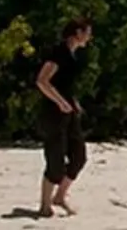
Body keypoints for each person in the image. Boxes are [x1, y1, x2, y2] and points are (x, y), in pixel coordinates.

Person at [31, 17, 93, 218]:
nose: (89, 37)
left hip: (69, 111)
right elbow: (42, 81)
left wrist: (73, 102)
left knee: (78, 156)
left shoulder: (74, 55)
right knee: (55, 159)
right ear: (77, 33)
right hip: (53, 112)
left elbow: (65, 84)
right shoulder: (58, 53)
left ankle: (60, 196)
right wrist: (59, 101)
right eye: (87, 32)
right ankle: (45, 204)